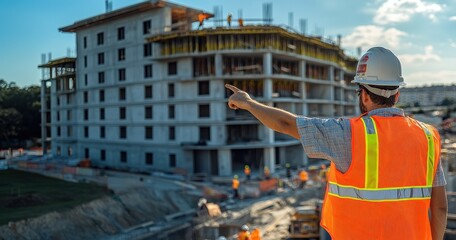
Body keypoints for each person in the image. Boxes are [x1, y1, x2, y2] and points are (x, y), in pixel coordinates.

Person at [225, 46, 447, 239]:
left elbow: (286, 124)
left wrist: (248, 103)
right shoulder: (429, 137)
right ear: (396, 95)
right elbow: (440, 207)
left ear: (364, 95)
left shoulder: (347, 133)